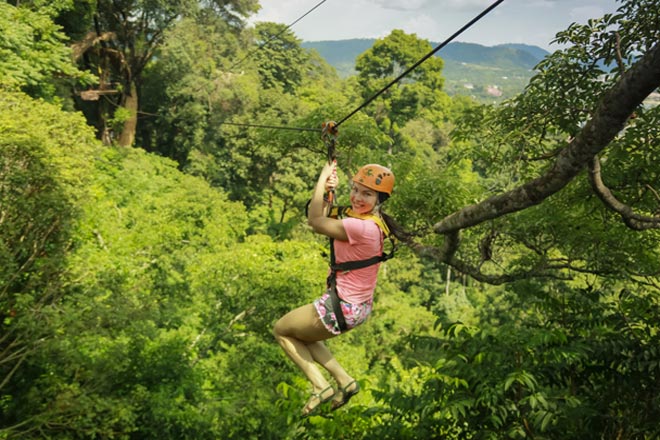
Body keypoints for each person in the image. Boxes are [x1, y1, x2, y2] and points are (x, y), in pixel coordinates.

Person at [273, 160, 402, 417]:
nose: (357, 197)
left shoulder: (360, 227)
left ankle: (320, 385)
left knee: (282, 330)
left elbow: (315, 221)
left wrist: (322, 179)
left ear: (380, 199)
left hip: (341, 306)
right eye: (355, 190)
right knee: (305, 336)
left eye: (367, 193)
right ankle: (345, 381)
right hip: (355, 307)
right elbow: (329, 217)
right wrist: (330, 191)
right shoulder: (373, 223)